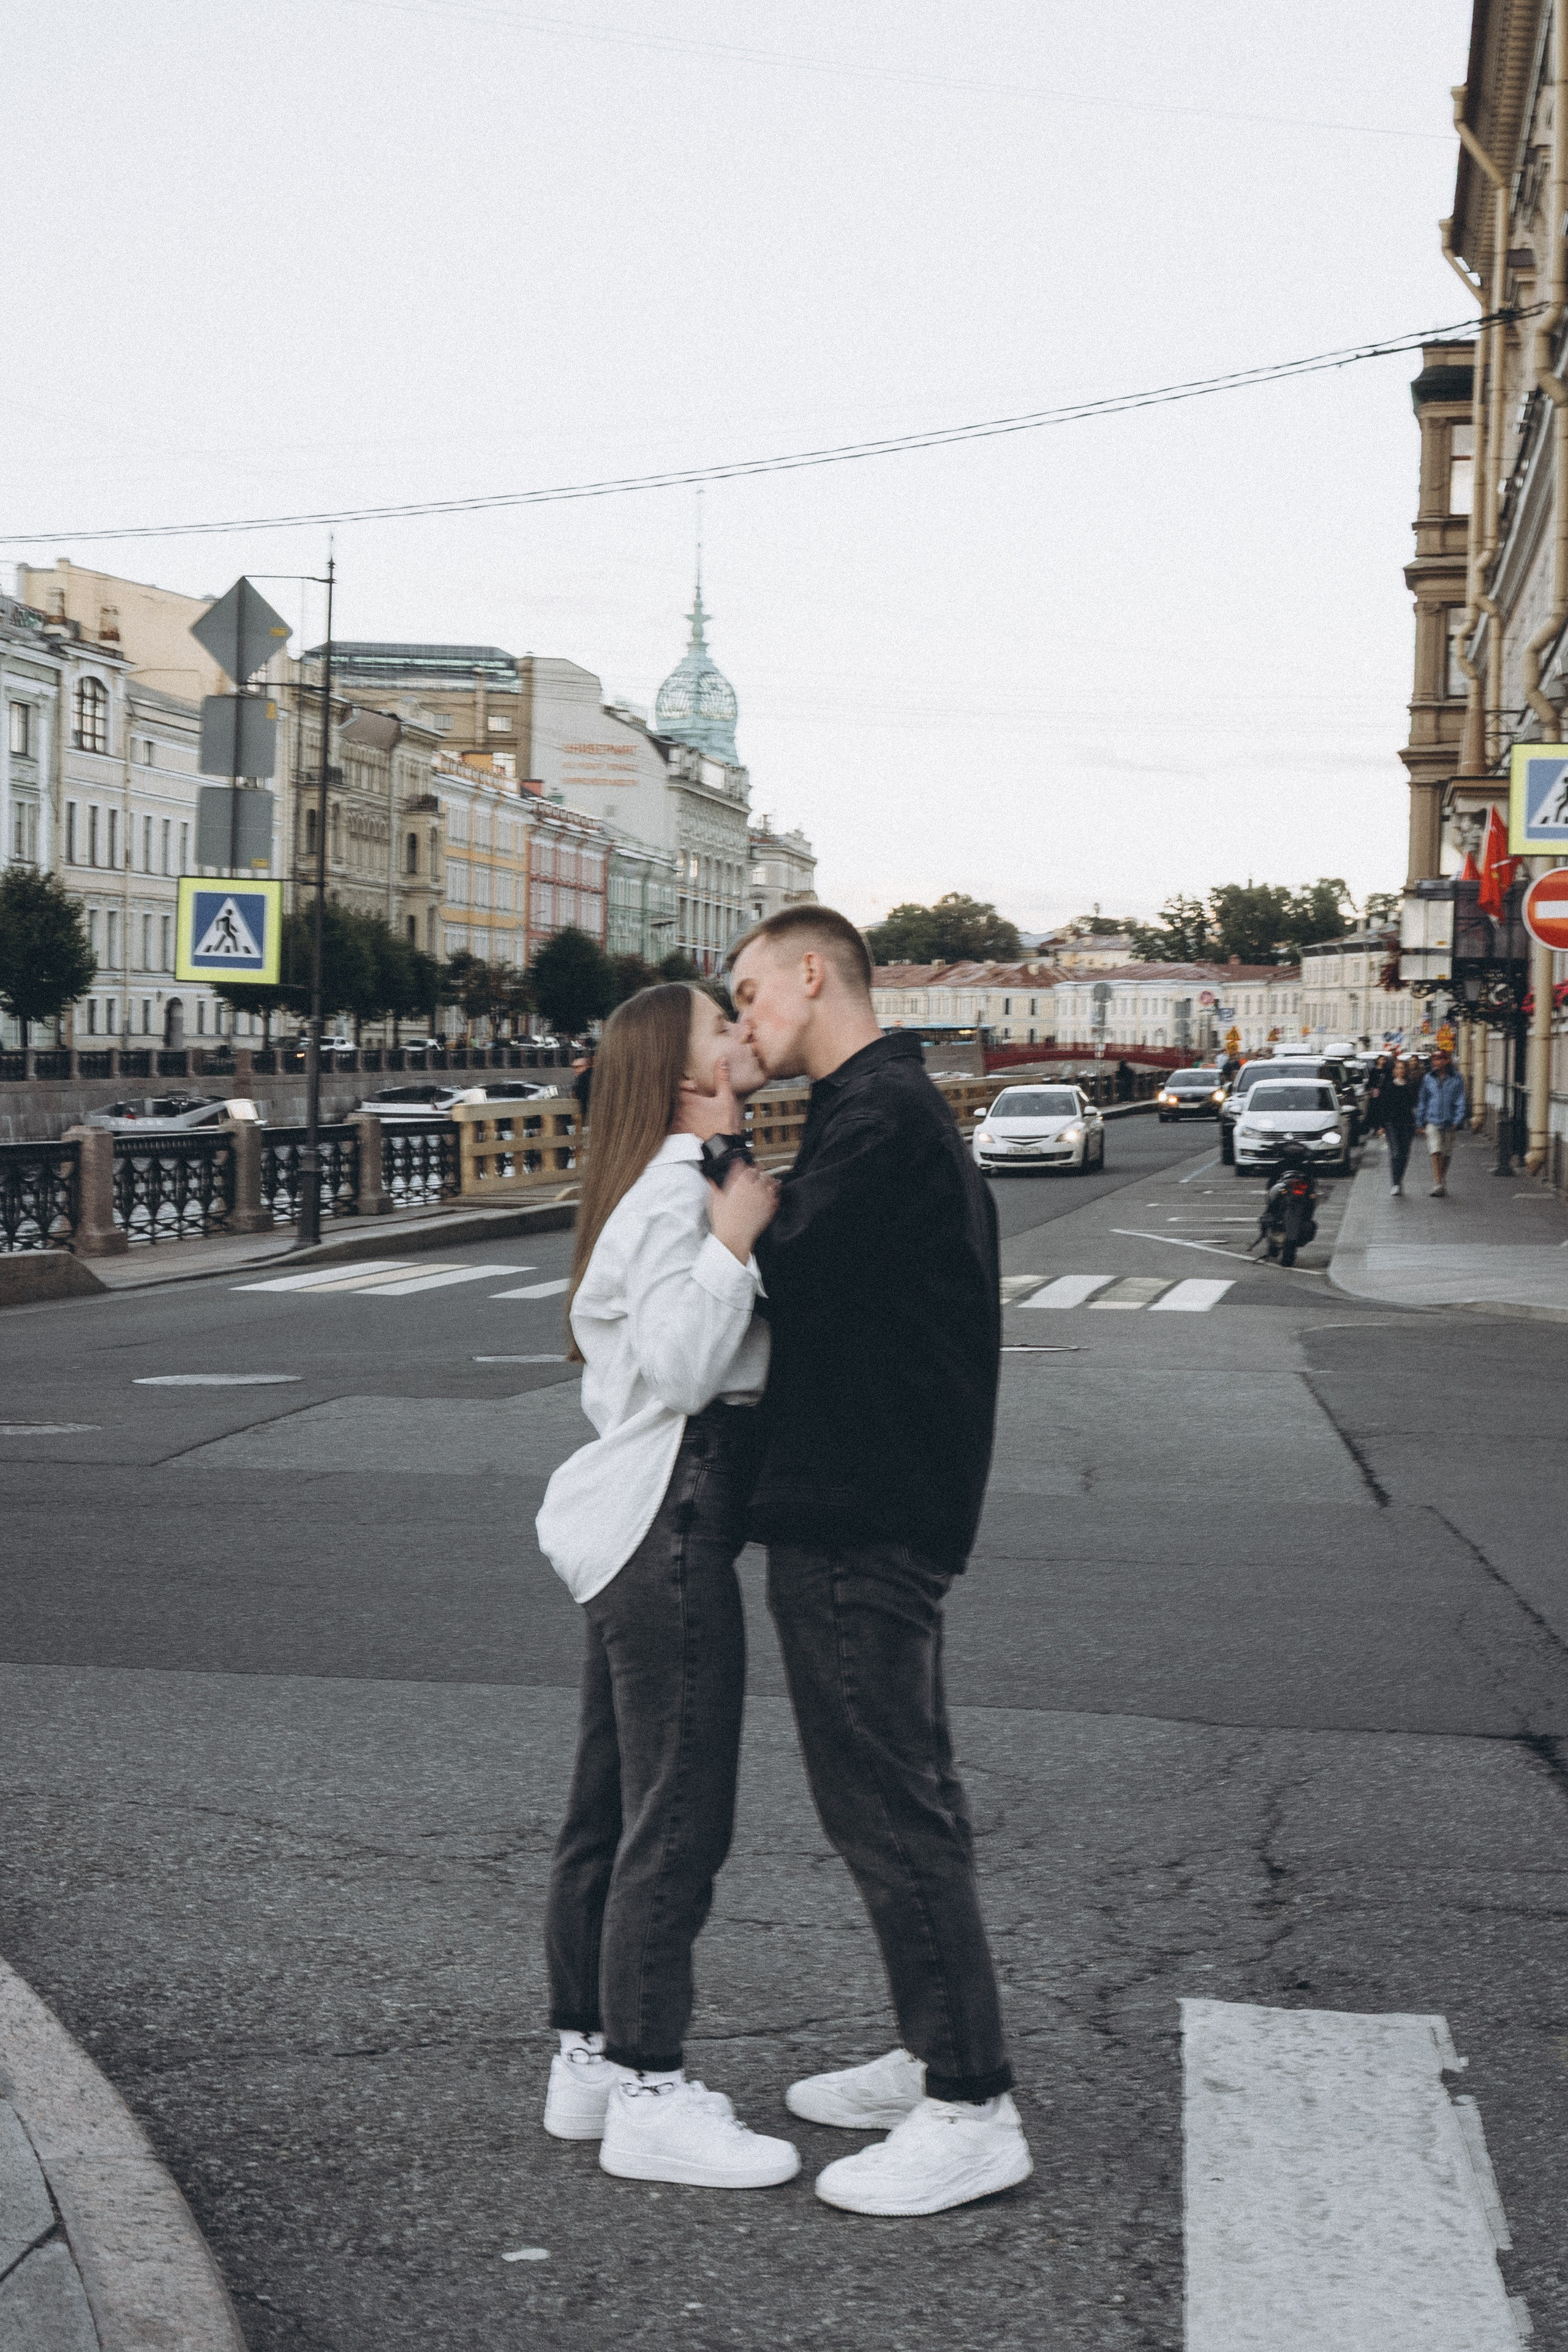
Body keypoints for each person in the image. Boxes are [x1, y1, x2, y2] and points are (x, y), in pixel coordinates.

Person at [726, 905, 1031, 2220]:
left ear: (812, 974)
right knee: (902, 1794)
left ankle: (968, 2106)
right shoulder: (881, 1105)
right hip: (879, 1495)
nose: (742, 1023)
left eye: (748, 996)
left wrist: (711, 1142)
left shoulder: (882, 1115)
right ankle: (930, 2051)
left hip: (862, 1507)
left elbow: (786, 1254)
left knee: (887, 1806)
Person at [535, 983, 801, 2191]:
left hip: (640, 1526)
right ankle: (650, 2085)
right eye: (718, 1025)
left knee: (611, 1807)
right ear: (683, 1072)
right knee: (680, 1812)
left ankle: (588, 2061)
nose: (741, 1032)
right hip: (670, 1520)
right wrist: (734, 1238)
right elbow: (686, 1368)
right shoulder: (673, 1192)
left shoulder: (666, 1177)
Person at [1415, 1047, 1467, 1197]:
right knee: (1436, 1150)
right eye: (1434, 1060)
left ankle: (1442, 1179)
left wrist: (1458, 1119)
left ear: (1447, 1061)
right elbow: (1423, 1100)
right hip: (1432, 1119)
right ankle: (1438, 1182)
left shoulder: (1456, 1078)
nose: (1436, 1063)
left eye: (1439, 1060)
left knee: (1447, 1153)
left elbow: (1460, 1100)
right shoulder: (1428, 1078)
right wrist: (1420, 1122)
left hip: (1450, 1121)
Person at [1381, 1055, 1419, 1196]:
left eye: (1403, 1068)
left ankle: (1399, 1180)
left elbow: (1415, 1104)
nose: (1400, 1071)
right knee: (1396, 1153)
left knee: (1404, 1153)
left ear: (1406, 1071)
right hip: (1392, 1124)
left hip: (1407, 1124)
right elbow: (1383, 1106)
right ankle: (1396, 1183)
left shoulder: (1411, 1086)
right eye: (1398, 1068)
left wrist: (1418, 1123)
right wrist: (1381, 1125)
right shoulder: (1388, 1086)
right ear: (1394, 1071)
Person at [570, 1046, 594, 1126]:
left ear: (587, 1066)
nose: (576, 1070)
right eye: (574, 1068)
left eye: (579, 1067)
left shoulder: (584, 1078)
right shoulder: (581, 1079)